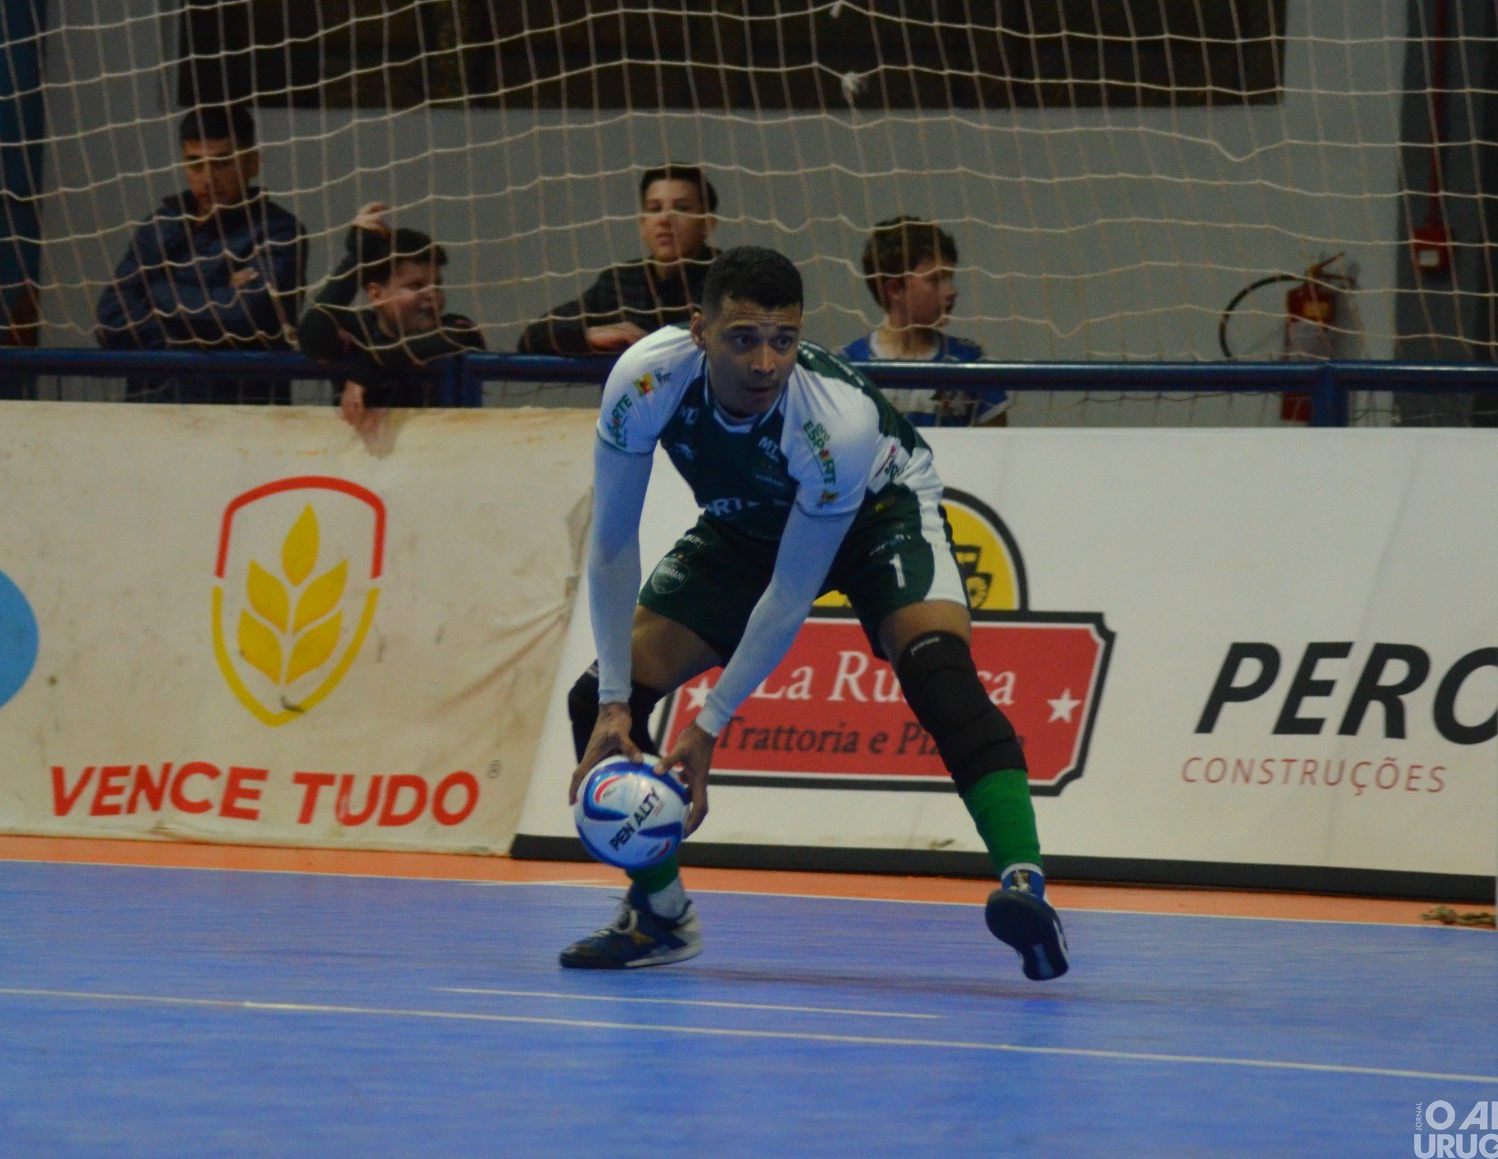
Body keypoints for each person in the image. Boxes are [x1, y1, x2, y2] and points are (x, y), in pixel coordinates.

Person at [560, 245, 1068, 981]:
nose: (765, 363)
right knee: (595, 699)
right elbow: (611, 542)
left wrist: (708, 726)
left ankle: (1026, 886)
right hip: (745, 525)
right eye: (743, 339)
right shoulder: (645, 379)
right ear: (699, 332)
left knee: (939, 675)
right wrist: (615, 701)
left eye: (784, 340)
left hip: (879, 511)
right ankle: (659, 914)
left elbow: (791, 592)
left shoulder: (837, 422)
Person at [94, 104, 307, 404]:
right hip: (152, 407)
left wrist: (155, 291)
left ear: (252, 163)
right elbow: (110, 318)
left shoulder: (280, 230)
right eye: (195, 164)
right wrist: (193, 336)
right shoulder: (159, 225)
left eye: (222, 163)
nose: (208, 179)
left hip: (243, 411)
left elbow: (244, 315)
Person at [297, 203, 486, 431]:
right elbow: (312, 335)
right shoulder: (359, 329)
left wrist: (369, 366)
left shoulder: (454, 329)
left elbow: (465, 337)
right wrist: (358, 257)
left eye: (437, 284)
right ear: (376, 295)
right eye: (416, 285)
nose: (431, 295)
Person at [517, 164, 719, 355]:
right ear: (642, 224)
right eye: (654, 208)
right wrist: (588, 335)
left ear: (708, 224)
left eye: (682, 208)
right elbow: (531, 338)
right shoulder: (620, 283)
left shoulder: (727, 278)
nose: (665, 219)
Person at [841, 215, 1007, 427]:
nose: (951, 291)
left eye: (950, 278)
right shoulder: (846, 365)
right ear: (894, 290)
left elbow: (999, 444)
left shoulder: (970, 361)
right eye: (936, 280)